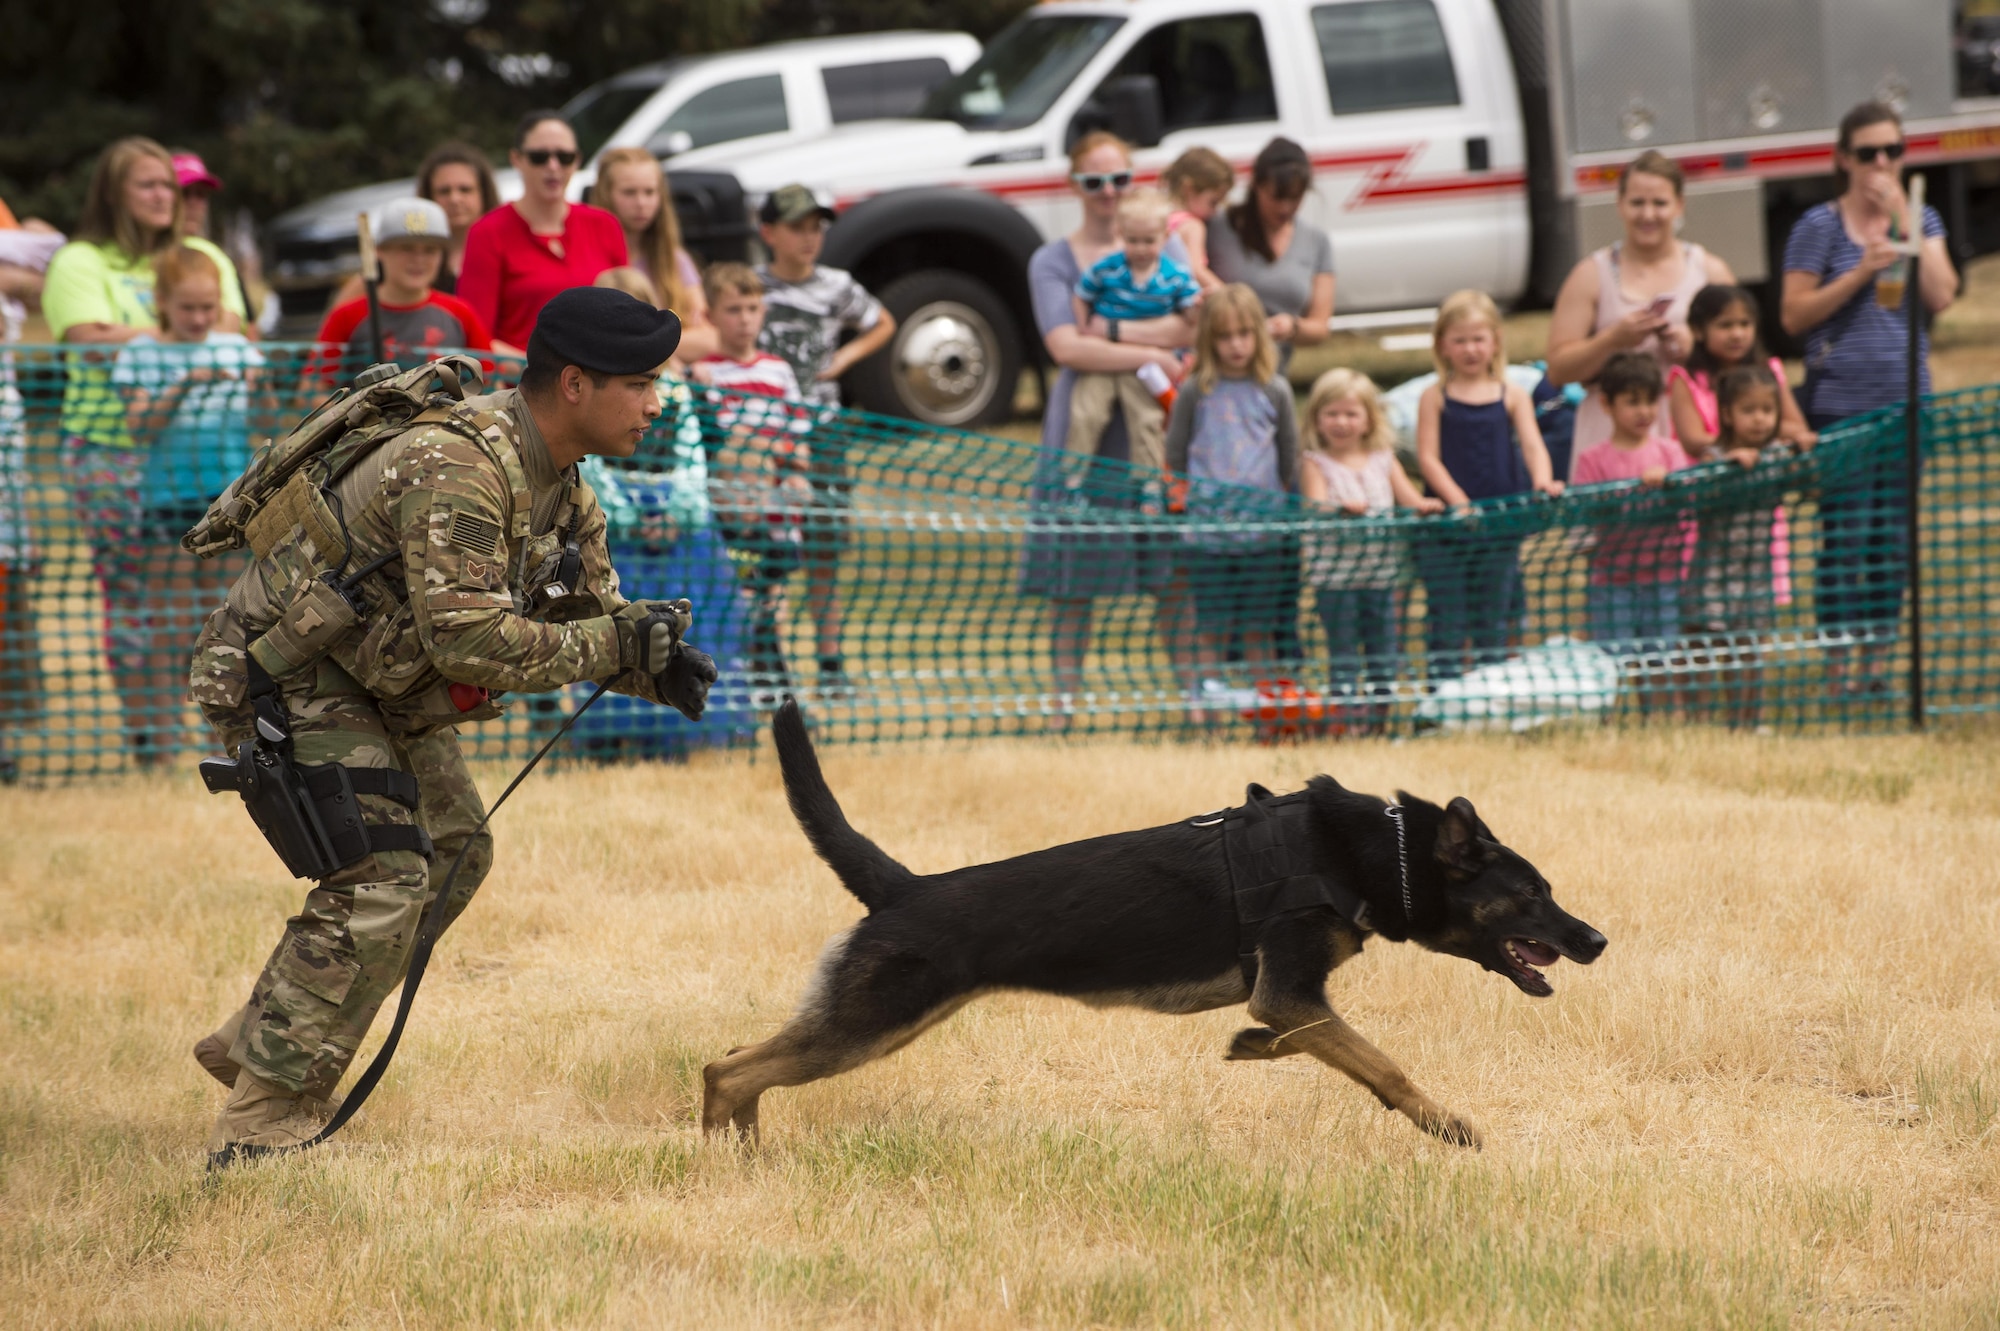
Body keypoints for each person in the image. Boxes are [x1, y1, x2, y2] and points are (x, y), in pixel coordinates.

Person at [188, 286, 717, 1166]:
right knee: (384, 874)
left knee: (456, 846)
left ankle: (261, 1038)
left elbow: (591, 615)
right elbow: (469, 638)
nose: (658, 403)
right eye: (643, 382)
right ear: (577, 384)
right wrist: (611, 642)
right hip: (286, 673)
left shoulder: (561, 482)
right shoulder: (463, 465)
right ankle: (259, 1123)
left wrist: (652, 667)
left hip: (375, 675)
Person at [41, 137, 248, 765]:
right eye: (149, 186)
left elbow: (233, 328)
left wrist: (151, 332)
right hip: (109, 449)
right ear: (114, 193)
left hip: (202, 457)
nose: (167, 196)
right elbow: (87, 339)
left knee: (213, 604)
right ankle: (151, 741)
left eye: (170, 185)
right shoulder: (79, 261)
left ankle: (217, 732)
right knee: (134, 600)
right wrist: (177, 331)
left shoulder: (201, 252)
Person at [1780, 100, 1958, 697]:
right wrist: (1860, 271)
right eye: (1867, 153)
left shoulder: (1923, 218)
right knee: (1846, 538)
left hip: (1908, 404)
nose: (1881, 163)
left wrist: (1906, 221)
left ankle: (1875, 668)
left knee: (1891, 541)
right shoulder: (1818, 227)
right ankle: (1836, 671)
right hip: (1840, 407)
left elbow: (1943, 295)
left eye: (1892, 151)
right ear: (1842, 159)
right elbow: (1792, 314)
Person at [1018, 132, 1193, 728]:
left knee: (1171, 578)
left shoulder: (1168, 250)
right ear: (1075, 186)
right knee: (1073, 582)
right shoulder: (1053, 261)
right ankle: (1063, 711)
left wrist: (1106, 336)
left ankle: (1197, 706)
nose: (1109, 193)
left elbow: (1188, 329)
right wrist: (1136, 342)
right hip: (1083, 437)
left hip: (1152, 428)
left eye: (1119, 179)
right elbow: (1065, 345)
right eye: (1095, 182)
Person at [110, 244, 267, 762]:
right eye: (187, 308)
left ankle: (222, 735)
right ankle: (162, 740)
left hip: (227, 502)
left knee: (226, 621)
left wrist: (255, 379)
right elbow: (139, 429)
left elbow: (268, 413)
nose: (199, 319)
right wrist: (182, 387)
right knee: (170, 623)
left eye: (207, 307)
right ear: (163, 302)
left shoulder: (236, 348)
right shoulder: (141, 352)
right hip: (168, 502)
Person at [755, 182, 897, 690]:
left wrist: (847, 359)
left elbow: (882, 322)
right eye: (797, 227)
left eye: (817, 227)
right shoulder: (751, 287)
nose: (810, 237)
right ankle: (770, 658)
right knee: (768, 546)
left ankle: (831, 662)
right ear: (768, 231)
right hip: (763, 431)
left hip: (823, 427)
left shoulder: (837, 286)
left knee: (825, 542)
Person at [1544, 151, 1735, 469]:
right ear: (1619, 205)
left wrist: (1694, 349)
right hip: (1610, 436)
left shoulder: (1710, 272)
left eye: (1659, 203)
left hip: (1690, 429)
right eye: (1637, 203)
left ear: (1679, 205)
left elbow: (1745, 361)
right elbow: (1558, 370)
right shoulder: (1591, 275)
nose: (1648, 214)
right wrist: (1612, 340)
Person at [1414, 290, 1563, 680]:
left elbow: (1532, 444)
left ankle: (1489, 690)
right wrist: (1458, 502)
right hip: (1448, 530)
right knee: (1448, 618)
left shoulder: (1511, 394)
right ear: (1442, 345)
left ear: (1495, 341)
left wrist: (1543, 480)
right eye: (1459, 340)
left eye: (1478, 339)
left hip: (1499, 526)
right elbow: (1427, 458)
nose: (1470, 349)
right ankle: (1443, 693)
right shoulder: (1435, 397)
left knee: (1494, 615)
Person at [1165, 284, 1298, 699]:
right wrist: (1184, 502)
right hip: (1209, 536)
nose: (1236, 345)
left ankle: (1266, 709)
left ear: (1259, 335)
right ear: (1209, 340)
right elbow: (1176, 453)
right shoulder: (1195, 391)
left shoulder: (1275, 390)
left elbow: (1289, 458)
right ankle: (1207, 707)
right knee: (1211, 627)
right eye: (1225, 336)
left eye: (1244, 333)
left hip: (1263, 536)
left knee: (1259, 629)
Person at [1299, 368, 1441, 728]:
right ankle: (1346, 720)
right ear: (1316, 418)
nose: (1341, 422)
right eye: (1331, 413)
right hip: (1334, 578)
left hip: (1382, 575)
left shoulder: (1383, 457)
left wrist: (1425, 506)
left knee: (1383, 648)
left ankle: (1380, 717)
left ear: (1368, 419)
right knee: (1343, 650)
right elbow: (1313, 505)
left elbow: (1408, 498)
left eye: (1350, 413)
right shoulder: (1316, 463)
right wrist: (1339, 509)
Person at [694, 262, 811, 692]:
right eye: (733, 309)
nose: (744, 319)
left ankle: (772, 681)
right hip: (733, 508)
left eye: (752, 308)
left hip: (776, 503)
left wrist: (793, 470)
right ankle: (747, 680)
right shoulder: (706, 374)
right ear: (710, 315)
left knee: (775, 596)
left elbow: (798, 438)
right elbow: (716, 444)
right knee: (741, 595)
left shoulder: (778, 371)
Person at [1571, 352, 1692, 715]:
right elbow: (1586, 511)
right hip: (1612, 580)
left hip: (1664, 577)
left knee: (1661, 656)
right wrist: (1622, 494)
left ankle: (1660, 718)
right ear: (1607, 404)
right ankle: (1612, 720)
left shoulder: (1670, 453)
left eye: (1650, 401)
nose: (1643, 411)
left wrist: (1668, 488)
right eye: (1632, 402)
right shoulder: (1592, 459)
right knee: (1613, 659)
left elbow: (1689, 501)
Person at [459, 111, 628, 355]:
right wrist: (543, 373)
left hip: (599, 380)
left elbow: (628, 316)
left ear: (577, 160)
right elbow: (476, 336)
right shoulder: (487, 233)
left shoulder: (605, 225)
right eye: (539, 157)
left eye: (564, 157)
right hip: (520, 383)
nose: (553, 166)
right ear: (516, 159)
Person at [1682, 363, 1791, 729]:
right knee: (1706, 648)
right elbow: (1699, 498)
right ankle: (1699, 720)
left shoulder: (1778, 456)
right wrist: (1727, 469)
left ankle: (1747, 721)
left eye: (1767, 410)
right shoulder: (1713, 458)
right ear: (1727, 415)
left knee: (1749, 650)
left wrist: (1808, 451)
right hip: (1712, 572)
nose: (1760, 420)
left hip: (1754, 575)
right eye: (1749, 411)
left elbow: (1812, 484)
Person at [1067, 186, 1199, 477]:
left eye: (1148, 241)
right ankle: (1071, 480)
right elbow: (1081, 294)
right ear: (1120, 234)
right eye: (1133, 240)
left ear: (1165, 237)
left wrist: (1196, 310)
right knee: (1087, 412)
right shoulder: (1107, 269)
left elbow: (1191, 312)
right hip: (1107, 358)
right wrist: (1084, 327)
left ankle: (1148, 486)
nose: (1140, 249)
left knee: (1146, 419)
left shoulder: (1175, 276)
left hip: (1146, 366)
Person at [312, 198, 492, 383]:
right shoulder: (347, 317)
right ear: (379, 251)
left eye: (430, 250)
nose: (418, 259)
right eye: (406, 248)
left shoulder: (461, 314)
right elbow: (312, 391)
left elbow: (491, 383)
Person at [1206, 137, 1334, 373]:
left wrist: (1292, 327)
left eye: (1295, 198)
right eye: (1277, 197)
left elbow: (1320, 327)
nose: (1285, 208)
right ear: (1256, 185)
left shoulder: (1316, 241)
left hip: (1272, 371)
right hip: (1217, 370)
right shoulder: (1217, 228)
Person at [592, 147, 715, 363]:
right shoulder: (588, 255)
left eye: (649, 192)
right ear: (606, 194)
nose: (641, 203)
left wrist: (635, 343)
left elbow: (708, 339)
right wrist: (667, 340)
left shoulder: (675, 259)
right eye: (629, 192)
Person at [1668, 285, 1815, 457]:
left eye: (1745, 324)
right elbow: (1693, 440)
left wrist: (1756, 430)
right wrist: (1738, 442)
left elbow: (1798, 427)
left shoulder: (1768, 369)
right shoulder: (1687, 379)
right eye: (1725, 325)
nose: (1737, 334)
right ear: (1698, 330)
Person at [418, 142, 500, 296]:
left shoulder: (506, 246)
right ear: (428, 196)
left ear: (484, 192)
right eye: (444, 191)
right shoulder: (413, 255)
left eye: (465, 189)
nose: (454, 199)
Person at [1161, 146, 1233, 291]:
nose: (1215, 212)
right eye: (1213, 202)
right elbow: (1196, 269)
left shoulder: (1160, 217)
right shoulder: (1192, 225)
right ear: (1188, 189)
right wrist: (1227, 295)